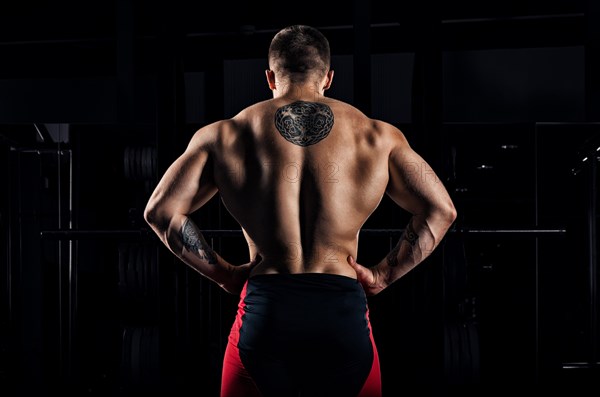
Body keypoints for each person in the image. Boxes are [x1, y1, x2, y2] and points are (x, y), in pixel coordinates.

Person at [144, 24, 457, 397]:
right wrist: (383, 275)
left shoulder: (225, 135)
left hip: (267, 311)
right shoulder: (377, 136)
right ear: (328, 77)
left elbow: (161, 212)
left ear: (269, 76)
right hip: (341, 314)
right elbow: (441, 210)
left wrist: (225, 274)